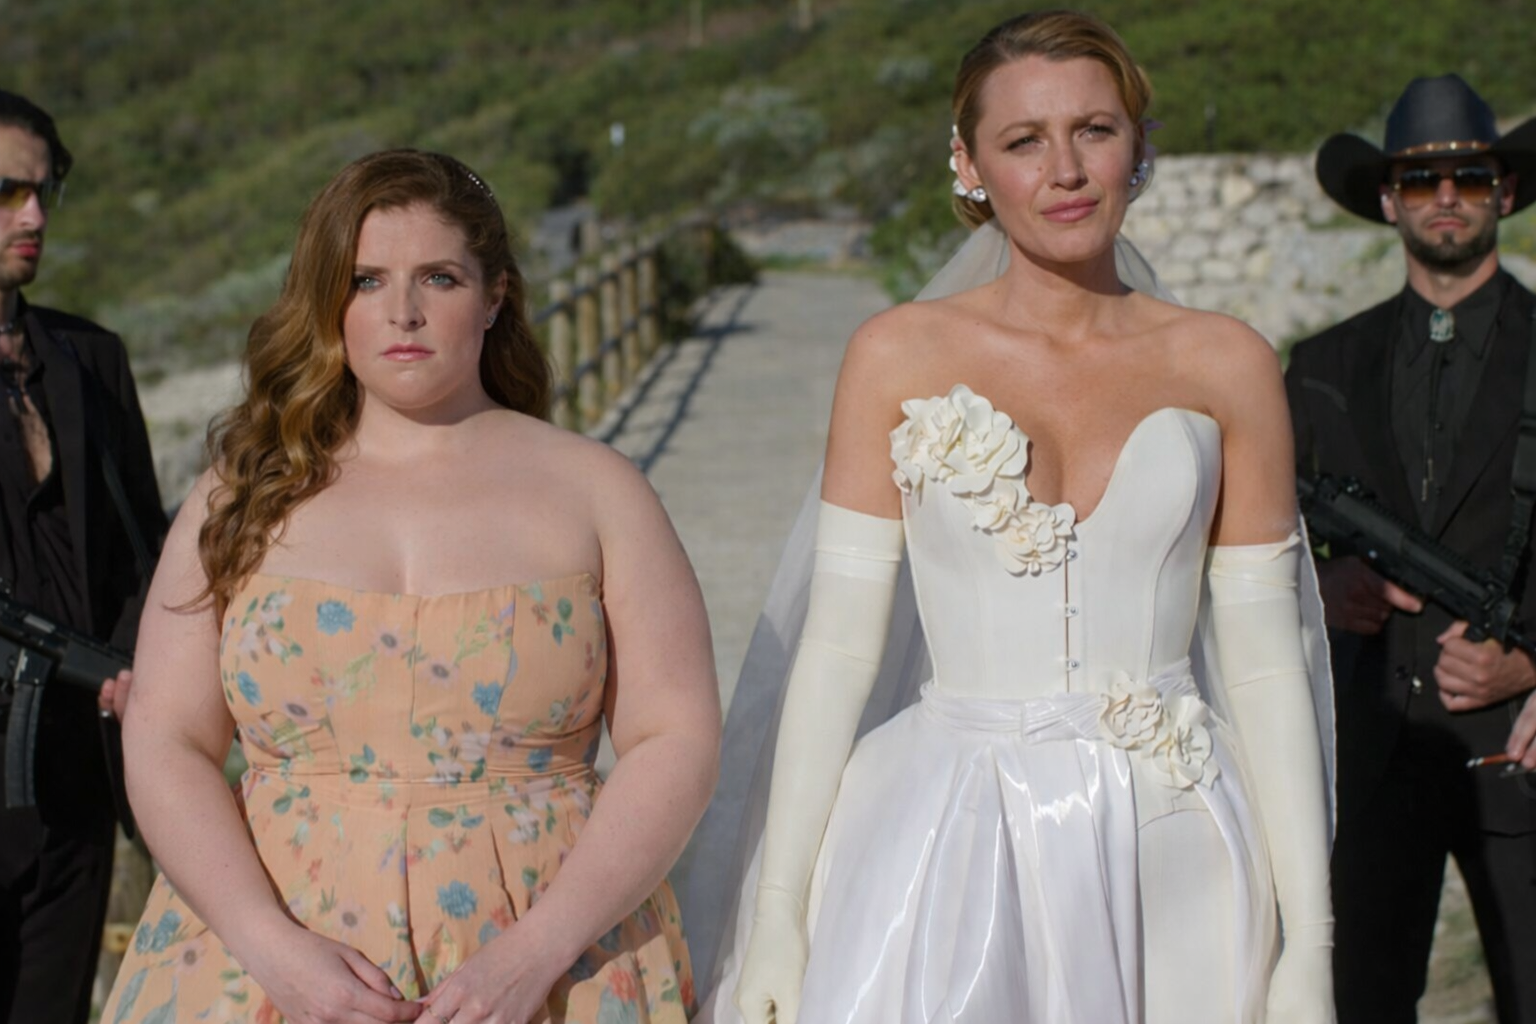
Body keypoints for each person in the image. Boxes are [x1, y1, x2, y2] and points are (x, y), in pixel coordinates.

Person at [688, 11, 1334, 1024]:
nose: (1065, 170)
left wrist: (1311, 943)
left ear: (1139, 146)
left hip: (1175, 849)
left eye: (1095, 130)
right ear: (969, 163)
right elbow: (838, 652)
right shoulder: (895, 355)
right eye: (1025, 140)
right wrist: (777, 912)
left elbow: (1265, 665)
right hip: (945, 835)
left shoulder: (1228, 362)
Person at [98, 149, 720, 1024]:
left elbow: (674, 739)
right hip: (259, 970)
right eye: (366, 281)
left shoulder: (599, 491)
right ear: (328, 300)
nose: (403, 312)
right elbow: (167, 738)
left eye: (439, 277)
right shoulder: (240, 494)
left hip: (556, 969)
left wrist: (537, 954)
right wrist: (271, 950)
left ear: (495, 295)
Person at [1288, 74, 1536, 1022]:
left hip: (1520, 755)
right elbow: (1254, 541)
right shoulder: (1321, 365)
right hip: (1366, 755)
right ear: (1388, 199)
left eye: (1468, 178)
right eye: (1420, 179)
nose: (1445, 197)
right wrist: (1321, 583)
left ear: (1504, 192)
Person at [0, 90, 165, 1024]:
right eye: (5, 192)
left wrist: (136, 675)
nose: (33, 216)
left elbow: (143, 552)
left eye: (43, 191)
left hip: (78, 777)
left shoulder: (90, 359)